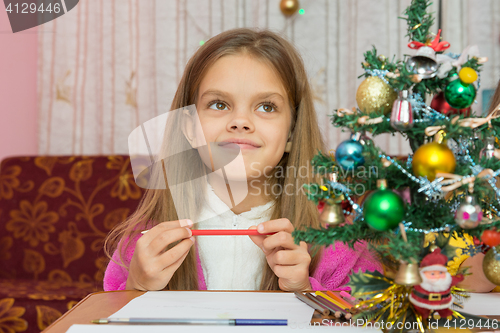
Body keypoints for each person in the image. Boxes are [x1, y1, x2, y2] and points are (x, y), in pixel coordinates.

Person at [103, 28, 381, 292]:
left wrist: (305, 290)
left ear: (291, 132)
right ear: (189, 128)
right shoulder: (147, 240)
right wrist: (136, 288)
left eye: (266, 107)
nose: (240, 122)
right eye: (219, 104)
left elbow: (367, 317)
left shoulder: (338, 242)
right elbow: (108, 318)